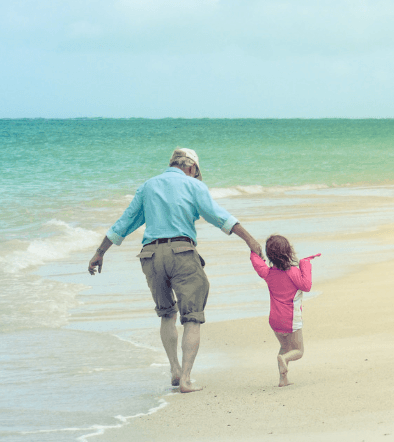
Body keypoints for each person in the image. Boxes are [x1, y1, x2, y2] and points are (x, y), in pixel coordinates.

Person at [88, 148, 263, 393]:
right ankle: (186, 380)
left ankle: (174, 369)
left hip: (150, 255)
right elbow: (220, 216)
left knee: (166, 314)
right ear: (191, 167)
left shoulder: (148, 186)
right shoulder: (194, 186)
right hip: (182, 252)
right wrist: (251, 241)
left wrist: (100, 252)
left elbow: (124, 223)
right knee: (192, 316)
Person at [250, 234, 319, 387]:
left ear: (269, 255)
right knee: (298, 351)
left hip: (274, 320)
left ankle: (283, 379)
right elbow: (306, 286)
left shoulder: (268, 273)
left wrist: (254, 251)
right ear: (289, 251)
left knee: (284, 347)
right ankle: (285, 360)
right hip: (290, 319)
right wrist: (305, 263)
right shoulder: (293, 272)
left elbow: (257, 264)